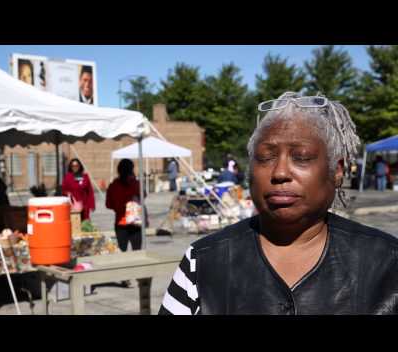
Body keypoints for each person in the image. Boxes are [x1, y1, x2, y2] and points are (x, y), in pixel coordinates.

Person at [159, 91, 398, 315]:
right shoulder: (202, 262)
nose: (280, 172)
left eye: (301, 157)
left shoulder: (388, 260)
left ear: (337, 171)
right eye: (265, 157)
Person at [106, 159, 144, 252]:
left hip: (120, 222)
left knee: (122, 252)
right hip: (134, 221)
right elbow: (144, 196)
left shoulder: (113, 185)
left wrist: (118, 207)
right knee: (137, 252)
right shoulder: (136, 184)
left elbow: (108, 204)